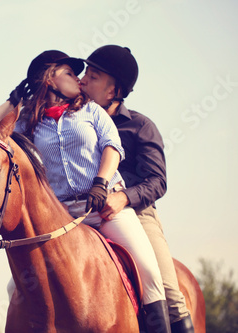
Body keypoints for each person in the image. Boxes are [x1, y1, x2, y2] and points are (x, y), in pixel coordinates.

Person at [0, 50, 171, 333]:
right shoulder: (27, 124)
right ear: (49, 78)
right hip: (61, 217)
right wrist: (13, 101)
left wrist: (101, 182)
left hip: (104, 208)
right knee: (17, 287)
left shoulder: (91, 111)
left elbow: (113, 147)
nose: (80, 79)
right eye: (71, 73)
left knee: (149, 271)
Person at [79, 45, 194, 333]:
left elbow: (158, 181)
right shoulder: (75, 123)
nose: (82, 81)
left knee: (168, 292)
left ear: (112, 91)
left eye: (92, 77)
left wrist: (123, 197)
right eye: (84, 74)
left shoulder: (141, 127)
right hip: (82, 211)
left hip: (137, 213)